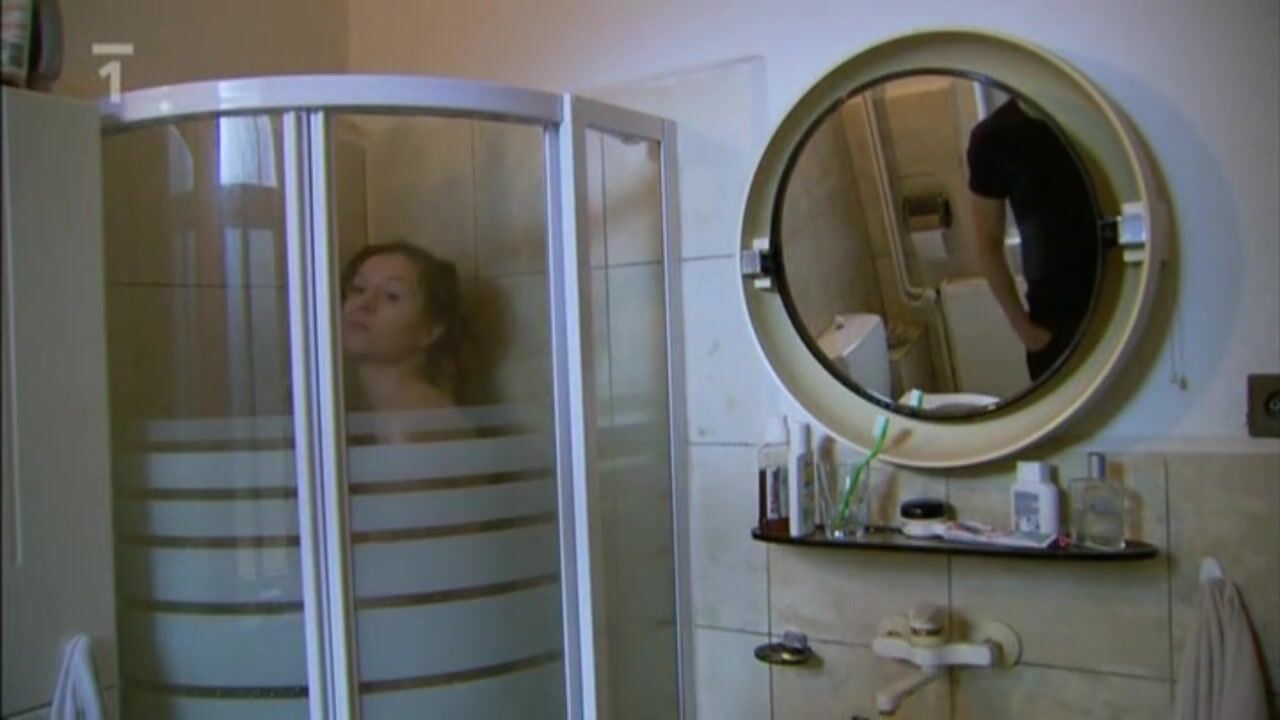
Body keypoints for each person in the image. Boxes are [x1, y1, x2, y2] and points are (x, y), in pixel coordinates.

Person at [966, 97, 1100, 381]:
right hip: (1053, 323)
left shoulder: (1093, 117)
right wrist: (1027, 332)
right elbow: (987, 244)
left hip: (1120, 301)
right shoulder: (994, 137)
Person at [340, 240, 466, 442]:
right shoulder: (379, 409)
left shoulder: (410, 416)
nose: (363, 304)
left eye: (392, 295)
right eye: (358, 289)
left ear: (429, 331)